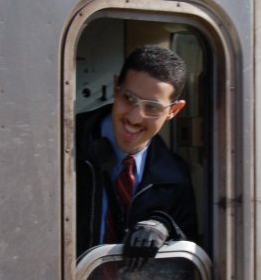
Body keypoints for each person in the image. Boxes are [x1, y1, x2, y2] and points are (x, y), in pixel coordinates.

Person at [75, 45, 199, 267]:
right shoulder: (65, 144)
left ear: (173, 111)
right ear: (116, 87)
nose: (134, 117)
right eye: (129, 98)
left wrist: (164, 226)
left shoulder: (176, 177)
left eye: (152, 108)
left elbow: (184, 268)